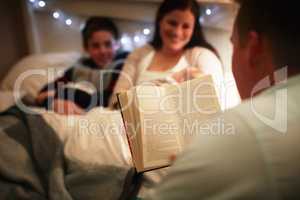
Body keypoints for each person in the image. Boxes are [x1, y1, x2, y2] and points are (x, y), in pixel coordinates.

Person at [145, 0, 300, 199]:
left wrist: (197, 163)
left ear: (253, 49)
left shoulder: (245, 131)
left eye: (233, 44)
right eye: (172, 23)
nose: (177, 32)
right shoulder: (143, 54)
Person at [110, 0, 223, 107]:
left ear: (194, 29)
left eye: (186, 26)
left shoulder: (202, 56)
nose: (177, 32)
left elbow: (212, 102)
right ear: (160, 21)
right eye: (172, 23)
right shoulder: (140, 54)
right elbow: (116, 100)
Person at [36, 16, 128, 114]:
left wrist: (65, 93)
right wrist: (54, 102)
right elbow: (41, 95)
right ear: (86, 48)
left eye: (108, 44)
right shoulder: (77, 69)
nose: (102, 51)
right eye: (95, 46)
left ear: (117, 44)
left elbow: (108, 100)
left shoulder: (121, 67)